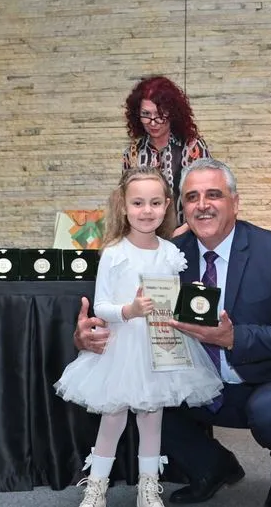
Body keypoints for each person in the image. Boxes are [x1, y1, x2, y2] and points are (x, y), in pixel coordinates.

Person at [74, 159, 271, 507]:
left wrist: (233, 338)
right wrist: (86, 337)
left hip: (265, 377)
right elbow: (122, 306)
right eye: (192, 197)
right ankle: (213, 467)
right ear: (181, 207)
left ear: (235, 202)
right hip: (198, 375)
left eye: (214, 195)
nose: (202, 205)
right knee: (144, 399)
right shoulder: (170, 253)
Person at [55, 167, 223, 507]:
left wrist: (187, 303)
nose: (147, 211)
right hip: (122, 346)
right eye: (138, 203)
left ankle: (149, 487)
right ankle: (96, 486)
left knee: (152, 418)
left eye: (155, 203)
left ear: (167, 206)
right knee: (113, 417)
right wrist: (129, 310)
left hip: (160, 345)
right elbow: (101, 305)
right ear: (124, 206)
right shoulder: (114, 252)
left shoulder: (169, 252)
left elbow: (172, 297)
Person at [123, 76, 211, 237]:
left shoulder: (192, 147)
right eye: (146, 114)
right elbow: (127, 200)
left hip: (188, 236)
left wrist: (178, 235)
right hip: (146, 239)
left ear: (173, 113)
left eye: (160, 114)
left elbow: (205, 198)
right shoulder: (133, 153)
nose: (153, 122)